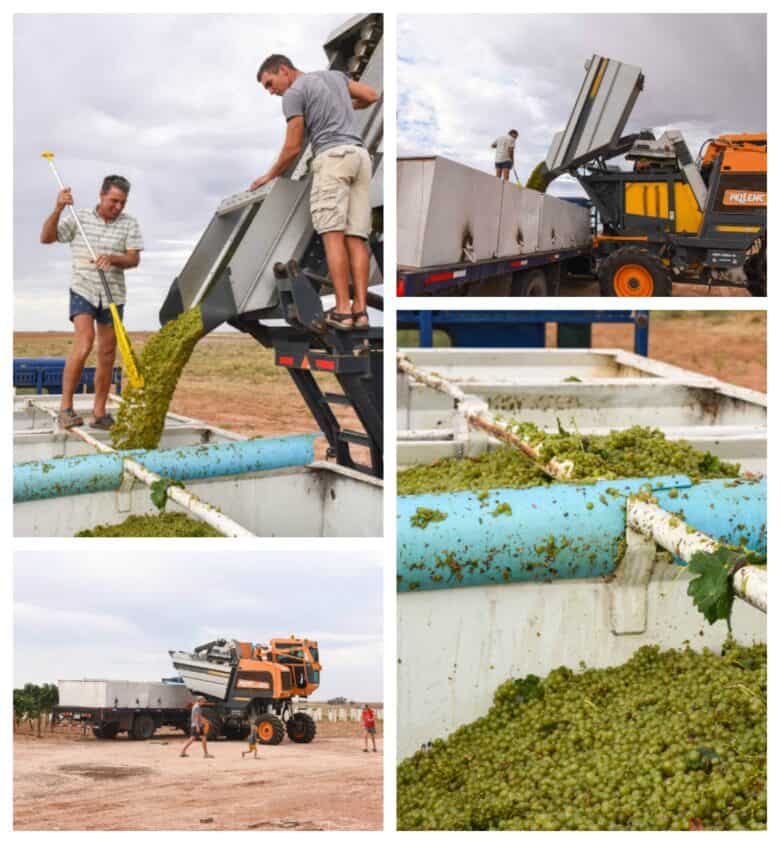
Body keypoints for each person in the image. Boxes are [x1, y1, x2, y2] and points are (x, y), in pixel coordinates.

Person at [251, 54, 380, 331]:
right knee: (356, 238)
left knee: (332, 236)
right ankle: (360, 311)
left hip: (333, 159)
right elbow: (371, 95)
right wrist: (345, 105)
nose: (272, 91)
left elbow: (293, 147)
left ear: (284, 70)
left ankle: (343, 311)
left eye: (270, 84)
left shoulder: (295, 92)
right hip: (360, 158)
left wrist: (269, 175)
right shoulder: (333, 77)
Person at [40, 174, 143, 430]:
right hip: (83, 289)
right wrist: (58, 208)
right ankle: (66, 409)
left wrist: (112, 258)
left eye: (123, 202)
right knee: (84, 342)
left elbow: (133, 259)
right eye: (114, 201)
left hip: (113, 295)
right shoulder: (79, 217)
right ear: (102, 195)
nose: (118, 207)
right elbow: (46, 237)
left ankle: (99, 413)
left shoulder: (130, 224)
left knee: (107, 353)